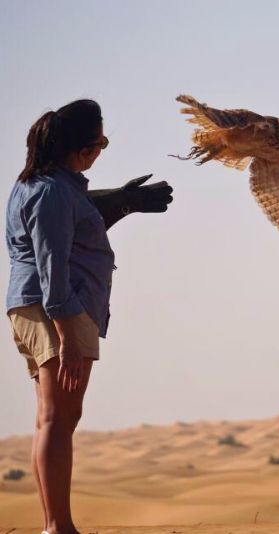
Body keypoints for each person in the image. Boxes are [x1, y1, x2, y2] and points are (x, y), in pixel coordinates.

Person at [6, 99, 172, 534]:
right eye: (100, 143)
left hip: (43, 306)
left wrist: (123, 201)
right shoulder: (52, 193)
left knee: (53, 419)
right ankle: (58, 527)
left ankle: (54, 524)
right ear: (81, 149)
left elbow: (73, 231)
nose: (101, 151)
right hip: (57, 308)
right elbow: (52, 265)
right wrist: (66, 337)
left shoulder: (42, 185)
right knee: (59, 421)